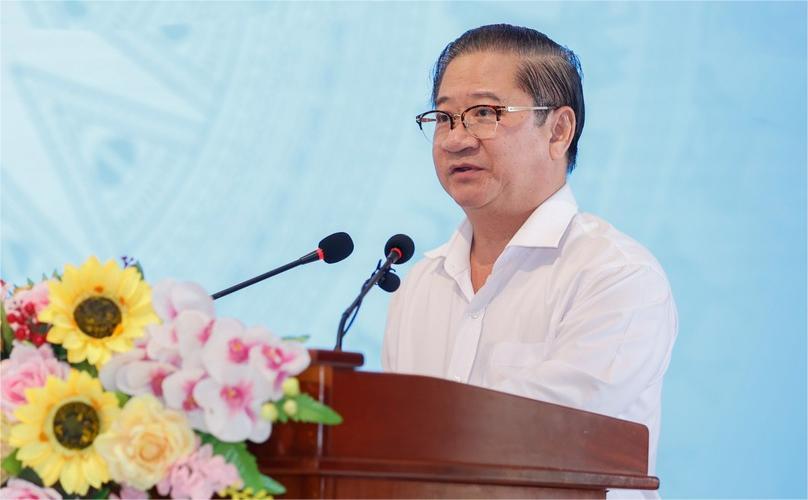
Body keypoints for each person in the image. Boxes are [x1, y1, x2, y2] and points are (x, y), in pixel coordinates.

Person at [382, 24, 677, 498]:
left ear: (559, 130)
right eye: (443, 117)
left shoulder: (614, 275)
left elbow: (556, 435)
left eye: (484, 113)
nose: (456, 139)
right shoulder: (421, 284)